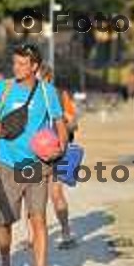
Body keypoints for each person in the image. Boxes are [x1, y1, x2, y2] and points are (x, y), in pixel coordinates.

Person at [0, 44, 68, 266]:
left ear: (35, 66)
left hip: (35, 165)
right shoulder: (4, 89)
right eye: (14, 63)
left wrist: (61, 148)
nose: (16, 68)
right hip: (6, 163)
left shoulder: (48, 93)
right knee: (5, 220)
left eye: (22, 64)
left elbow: (60, 123)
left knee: (38, 218)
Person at [38, 64, 77, 248]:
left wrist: (60, 126)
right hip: (32, 151)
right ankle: (33, 237)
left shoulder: (60, 96)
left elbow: (72, 123)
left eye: (41, 79)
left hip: (56, 150)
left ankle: (66, 231)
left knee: (55, 193)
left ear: (48, 79)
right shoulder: (27, 96)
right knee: (33, 194)